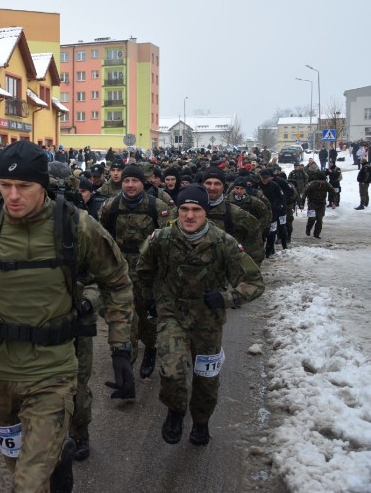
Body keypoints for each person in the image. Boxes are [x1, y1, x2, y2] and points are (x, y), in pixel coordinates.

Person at [0, 140, 134, 492]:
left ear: (43, 185)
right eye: (5, 186)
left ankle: (55, 455)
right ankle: (59, 456)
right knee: (18, 464)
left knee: (28, 482)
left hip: (52, 370)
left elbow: (117, 281)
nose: (13, 196)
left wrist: (121, 348)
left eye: (24, 186)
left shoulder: (76, 226)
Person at [137, 184, 264, 446]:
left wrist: (227, 298)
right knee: (173, 371)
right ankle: (175, 411)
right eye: (184, 209)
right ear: (177, 211)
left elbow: (254, 283)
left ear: (206, 212)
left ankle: (201, 422)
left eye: (196, 209)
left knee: (206, 379)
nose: (190, 216)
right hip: (172, 315)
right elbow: (144, 270)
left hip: (207, 321)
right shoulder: (161, 239)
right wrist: (150, 298)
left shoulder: (224, 243)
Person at [99, 164, 171, 377]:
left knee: (148, 314)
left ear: (143, 183)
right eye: (126, 181)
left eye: (135, 181)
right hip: (121, 270)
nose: (130, 185)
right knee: (125, 316)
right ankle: (126, 364)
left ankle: (150, 348)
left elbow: (168, 241)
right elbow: (103, 238)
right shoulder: (110, 207)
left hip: (148, 271)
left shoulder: (158, 207)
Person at [200, 167, 265, 265]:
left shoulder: (237, 213)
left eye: (217, 183)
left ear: (223, 187)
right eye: (208, 183)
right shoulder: (187, 210)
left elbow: (255, 247)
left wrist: (248, 273)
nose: (212, 188)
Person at [300, 171, 336, 239]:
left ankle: (316, 234)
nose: (321, 182)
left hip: (321, 204)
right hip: (312, 203)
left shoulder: (326, 184)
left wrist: (334, 202)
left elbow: (333, 192)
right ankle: (308, 228)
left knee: (319, 220)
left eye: (322, 180)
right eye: (320, 180)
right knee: (311, 218)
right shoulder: (311, 184)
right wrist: (302, 203)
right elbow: (305, 193)